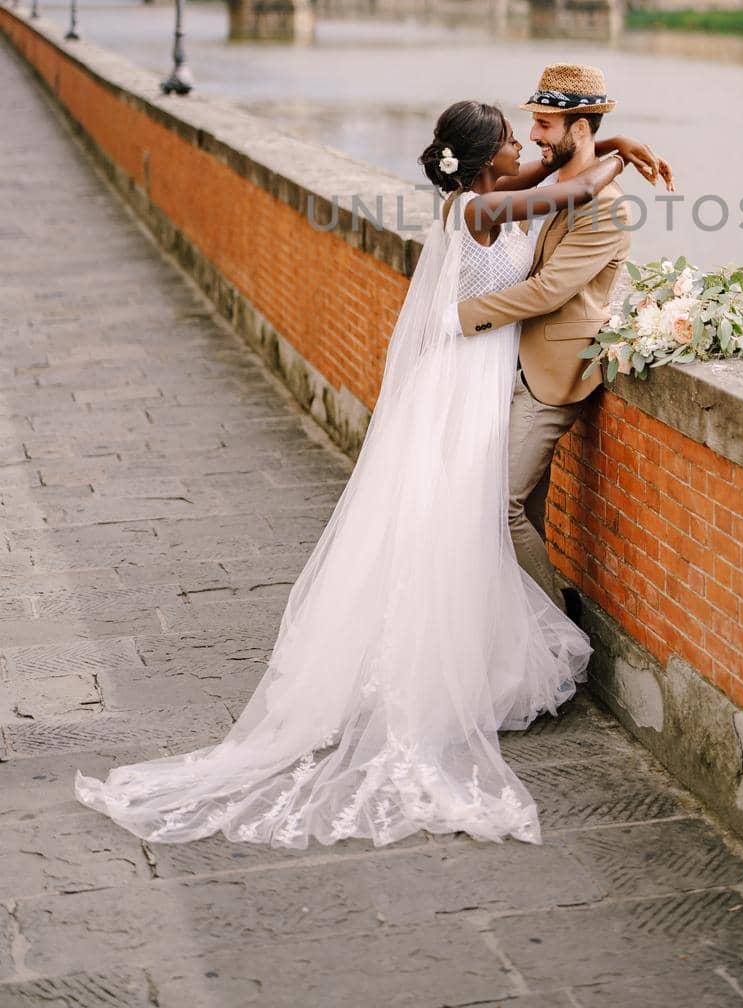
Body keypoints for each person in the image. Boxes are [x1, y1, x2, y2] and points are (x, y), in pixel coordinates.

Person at [72, 86, 666, 850]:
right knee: (461, 508)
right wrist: (600, 146)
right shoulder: (481, 211)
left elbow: (557, 181)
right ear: (487, 163)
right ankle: (459, 658)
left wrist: (614, 146)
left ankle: (473, 651)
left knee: (457, 509)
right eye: (514, 142)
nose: (525, 149)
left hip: (475, 366)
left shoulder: (480, 195)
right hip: (467, 375)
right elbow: (574, 189)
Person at [449, 62, 673, 616]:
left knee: (503, 505)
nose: (534, 137)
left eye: (545, 124)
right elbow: (563, 181)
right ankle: (520, 627)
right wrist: (614, 145)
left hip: (552, 374)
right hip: (509, 361)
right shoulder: (557, 184)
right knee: (528, 507)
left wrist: (459, 317)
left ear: (577, 127)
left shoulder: (609, 207)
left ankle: (555, 630)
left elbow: (549, 290)